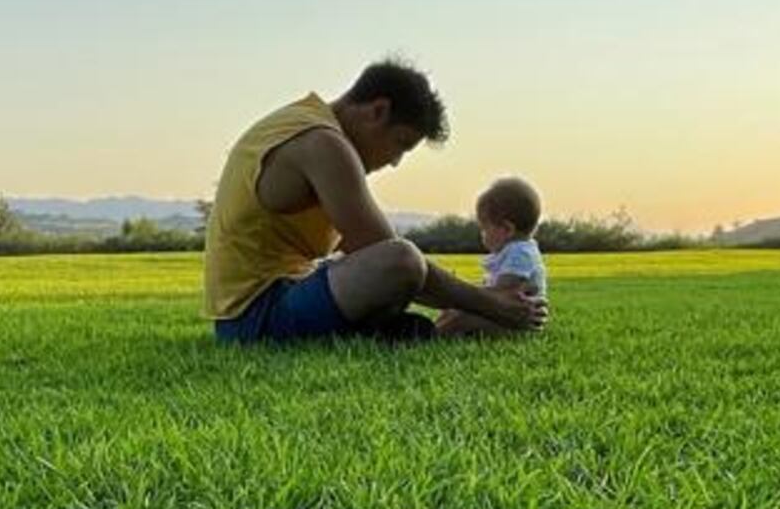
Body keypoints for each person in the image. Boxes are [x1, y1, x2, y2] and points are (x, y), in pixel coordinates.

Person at [202, 61, 547, 346]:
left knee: (402, 275)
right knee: (401, 259)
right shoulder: (321, 143)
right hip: (254, 319)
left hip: (276, 300)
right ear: (378, 111)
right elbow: (391, 256)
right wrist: (493, 304)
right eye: (400, 144)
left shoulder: (306, 124)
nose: (395, 161)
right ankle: (440, 326)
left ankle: (407, 332)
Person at [436, 176, 546, 338]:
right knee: (455, 311)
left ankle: (434, 336)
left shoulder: (521, 253)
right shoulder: (512, 250)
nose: (482, 235)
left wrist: (462, 292)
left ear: (507, 229)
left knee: (461, 318)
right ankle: (436, 330)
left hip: (515, 321)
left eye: (485, 228)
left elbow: (502, 292)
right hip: (503, 314)